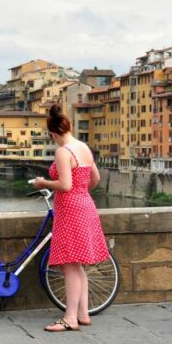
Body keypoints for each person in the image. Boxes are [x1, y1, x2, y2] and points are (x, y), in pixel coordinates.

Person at [31, 104, 110, 332]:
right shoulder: (83, 147)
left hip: (70, 210)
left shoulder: (63, 151)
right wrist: (81, 191)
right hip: (85, 205)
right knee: (77, 265)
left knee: (69, 266)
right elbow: (94, 179)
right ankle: (83, 314)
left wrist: (43, 183)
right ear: (69, 126)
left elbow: (65, 185)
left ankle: (70, 318)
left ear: (53, 133)